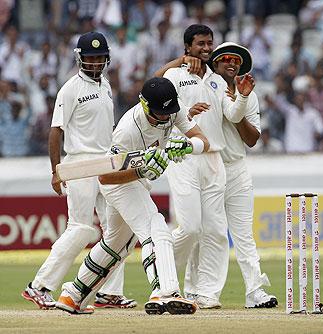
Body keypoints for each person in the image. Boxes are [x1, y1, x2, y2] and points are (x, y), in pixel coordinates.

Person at [55, 77, 209, 315]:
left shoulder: (171, 109)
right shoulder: (128, 128)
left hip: (137, 181)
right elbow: (105, 178)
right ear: (145, 105)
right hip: (118, 184)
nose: (166, 118)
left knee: (118, 244)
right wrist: (141, 169)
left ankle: (73, 295)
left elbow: (204, 141)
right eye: (160, 113)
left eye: (169, 112)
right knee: (155, 226)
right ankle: (165, 291)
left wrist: (189, 146)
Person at [21, 31, 136, 310]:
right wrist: (55, 170)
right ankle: (39, 286)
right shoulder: (70, 88)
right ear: (80, 59)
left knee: (115, 230)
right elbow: (55, 131)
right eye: (90, 58)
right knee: (82, 228)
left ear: (106, 59)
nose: (95, 63)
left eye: (99, 58)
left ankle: (108, 292)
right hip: (79, 162)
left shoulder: (106, 86)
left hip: (106, 162)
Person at [154, 24, 255, 308]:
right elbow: (152, 91)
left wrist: (243, 96)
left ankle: (207, 292)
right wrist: (187, 111)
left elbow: (233, 115)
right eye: (200, 44)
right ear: (188, 46)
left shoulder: (218, 79)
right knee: (190, 228)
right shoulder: (175, 75)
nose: (207, 48)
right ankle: (163, 278)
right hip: (183, 157)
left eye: (209, 43)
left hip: (214, 160)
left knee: (214, 230)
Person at [182, 42, 278, 308]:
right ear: (214, 63)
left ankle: (255, 291)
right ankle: (192, 289)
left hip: (236, 168)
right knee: (202, 232)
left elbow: (251, 139)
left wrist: (241, 99)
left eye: (236, 60)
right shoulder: (204, 87)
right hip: (208, 166)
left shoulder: (249, 94)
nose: (231, 63)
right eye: (224, 59)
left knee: (243, 234)